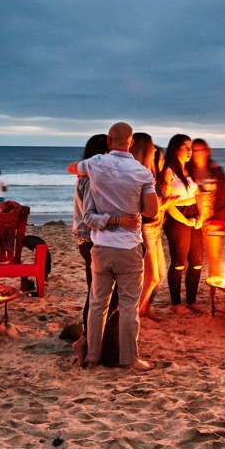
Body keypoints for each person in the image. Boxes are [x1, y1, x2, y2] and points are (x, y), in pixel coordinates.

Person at [67, 122, 158, 371]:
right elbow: (152, 211)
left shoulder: (96, 165)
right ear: (131, 142)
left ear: (109, 141)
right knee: (129, 306)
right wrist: (131, 208)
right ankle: (129, 359)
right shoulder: (141, 172)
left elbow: (72, 168)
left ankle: (93, 357)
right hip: (128, 246)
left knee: (98, 304)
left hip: (101, 246)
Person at [71, 134, 114, 336]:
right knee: (96, 291)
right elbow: (90, 215)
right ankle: (90, 333)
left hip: (87, 239)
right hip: (90, 239)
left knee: (96, 289)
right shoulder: (90, 177)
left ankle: (92, 332)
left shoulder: (87, 173)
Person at [161, 134, 202, 314]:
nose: (189, 150)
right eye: (185, 147)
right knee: (179, 262)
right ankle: (176, 304)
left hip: (194, 215)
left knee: (197, 261)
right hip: (177, 219)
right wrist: (185, 220)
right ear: (175, 148)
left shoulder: (190, 171)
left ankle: (192, 301)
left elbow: (198, 194)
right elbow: (166, 202)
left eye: (190, 147)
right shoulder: (168, 171)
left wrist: (201, 216)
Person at [130, 132, 167, 318]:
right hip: (145, 230)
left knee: (159, 275)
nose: (155, 149)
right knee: (151, 277)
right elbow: (139, 207)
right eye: (151, 146)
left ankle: (143, 310)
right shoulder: (138, 176)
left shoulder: (149, 174)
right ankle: (133, 316)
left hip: (155, 229)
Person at [190, 138, 225, 279]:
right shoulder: (187, 171)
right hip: (193, 221)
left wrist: (221, 219)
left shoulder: (215, 170)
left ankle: (212, 295)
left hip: (213, 221)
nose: (197, 153)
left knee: (214, 259)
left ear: (207, 151)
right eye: (194, 150)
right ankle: (191, 294)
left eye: (200, 149)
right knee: (193, 260)